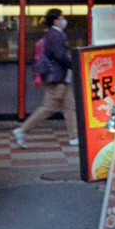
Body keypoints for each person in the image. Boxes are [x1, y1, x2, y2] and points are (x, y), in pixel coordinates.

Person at [13, 8, 79, 148]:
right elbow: (60, 56)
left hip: (61, 78)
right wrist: (73, 64)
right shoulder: (56, 34)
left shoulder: (52, 34)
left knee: (69, 107)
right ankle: (22, 130)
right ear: (56, 21)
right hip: (57, 78)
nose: (64, 20)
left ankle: (74, 137)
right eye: (62, 18)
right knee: (48, 108)